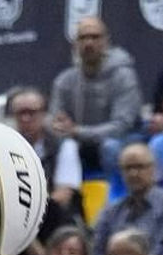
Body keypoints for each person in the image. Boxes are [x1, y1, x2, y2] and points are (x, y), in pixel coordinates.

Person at [48, 12, 144, 176]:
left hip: (122, 142)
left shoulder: (124, 76)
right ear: (75, 44)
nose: (89, 43)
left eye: (95, 37)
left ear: (106, 41)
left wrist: (78, 132)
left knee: (110, 146)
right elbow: (55, 122)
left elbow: (121, 126)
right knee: (59, 146)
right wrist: (60, 127)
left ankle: (118, 194)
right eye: (83, 38)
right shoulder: (64, 81)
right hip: (81, 145)